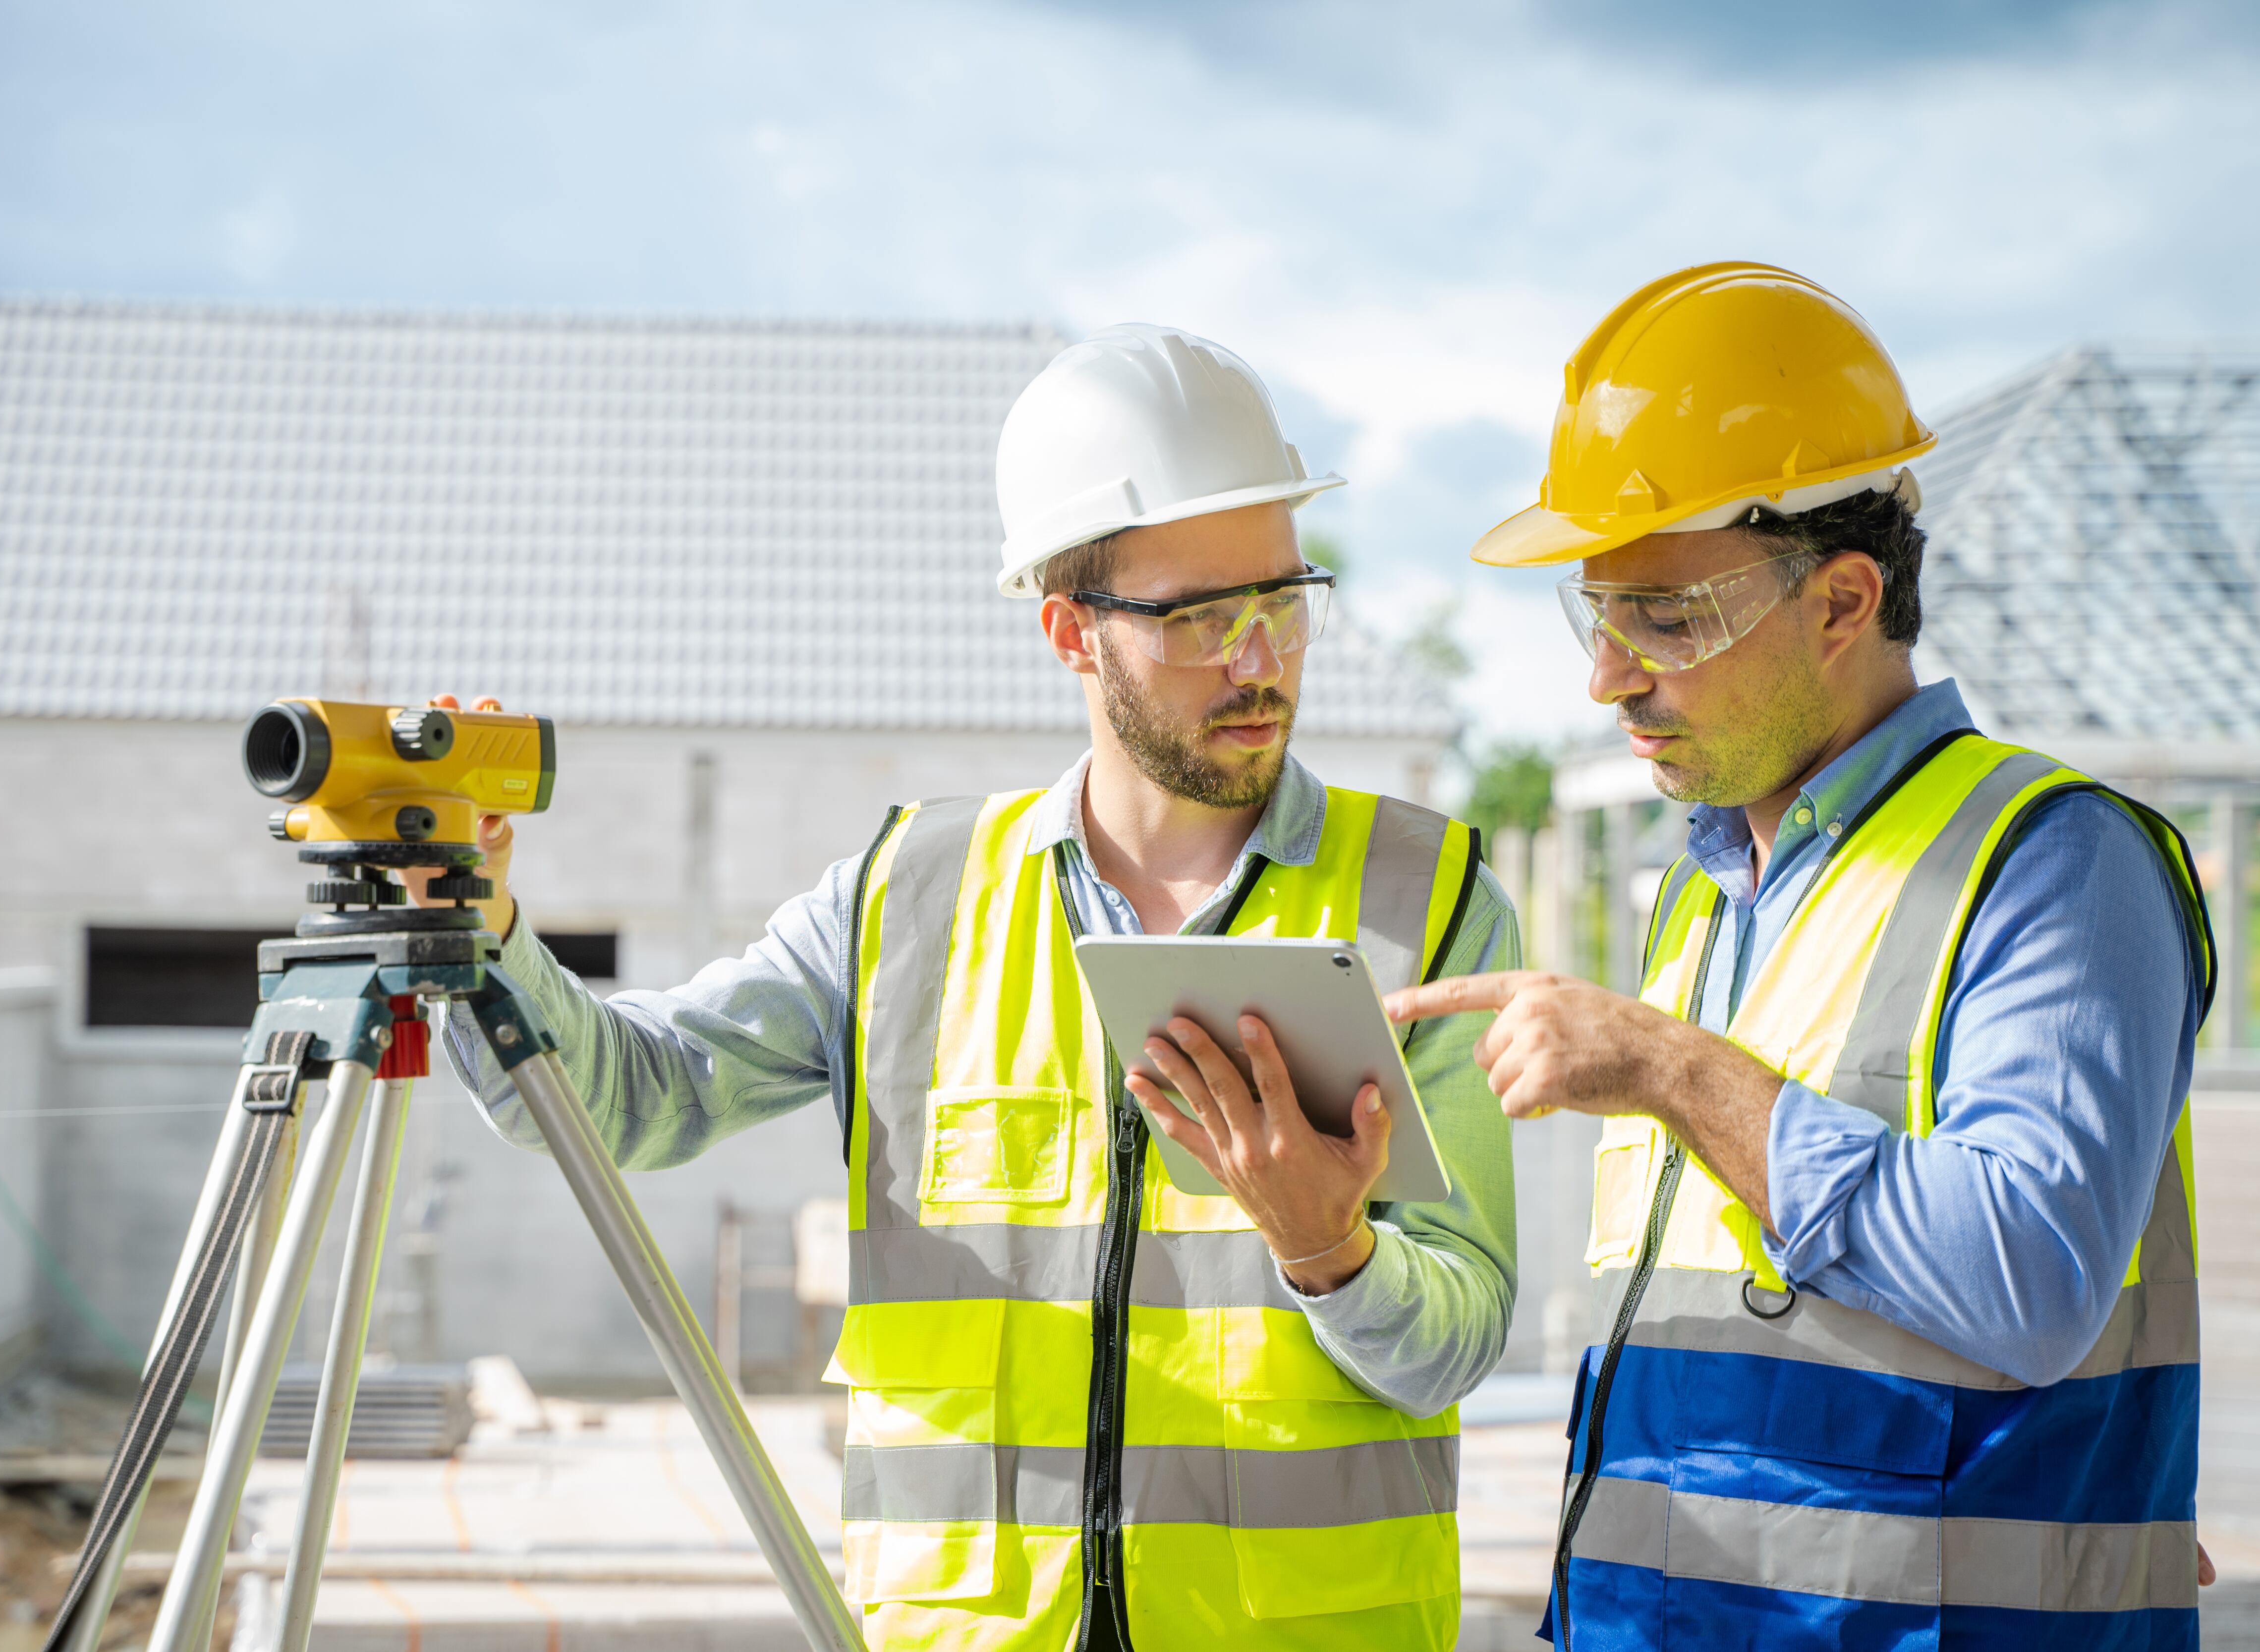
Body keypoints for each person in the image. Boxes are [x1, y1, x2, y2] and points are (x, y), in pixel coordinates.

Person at [420, 324, 1521, 1650]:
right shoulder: (909, 902)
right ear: (1071, 632)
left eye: (1284, 603)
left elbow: (1456, 1345)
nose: (1258, 660)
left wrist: (1329, 1253)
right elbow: (620, 1104)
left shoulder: (1429, 903)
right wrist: (478, 934)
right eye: (1198, 617)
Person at [1386, 262, 2216, 1650]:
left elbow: (2028, 1282)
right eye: (1600, 615)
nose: (1608, 677)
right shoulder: (1705, 898)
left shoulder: (2056, 863)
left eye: (1666, 617)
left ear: (1842, 602)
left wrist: (1670, 1069)